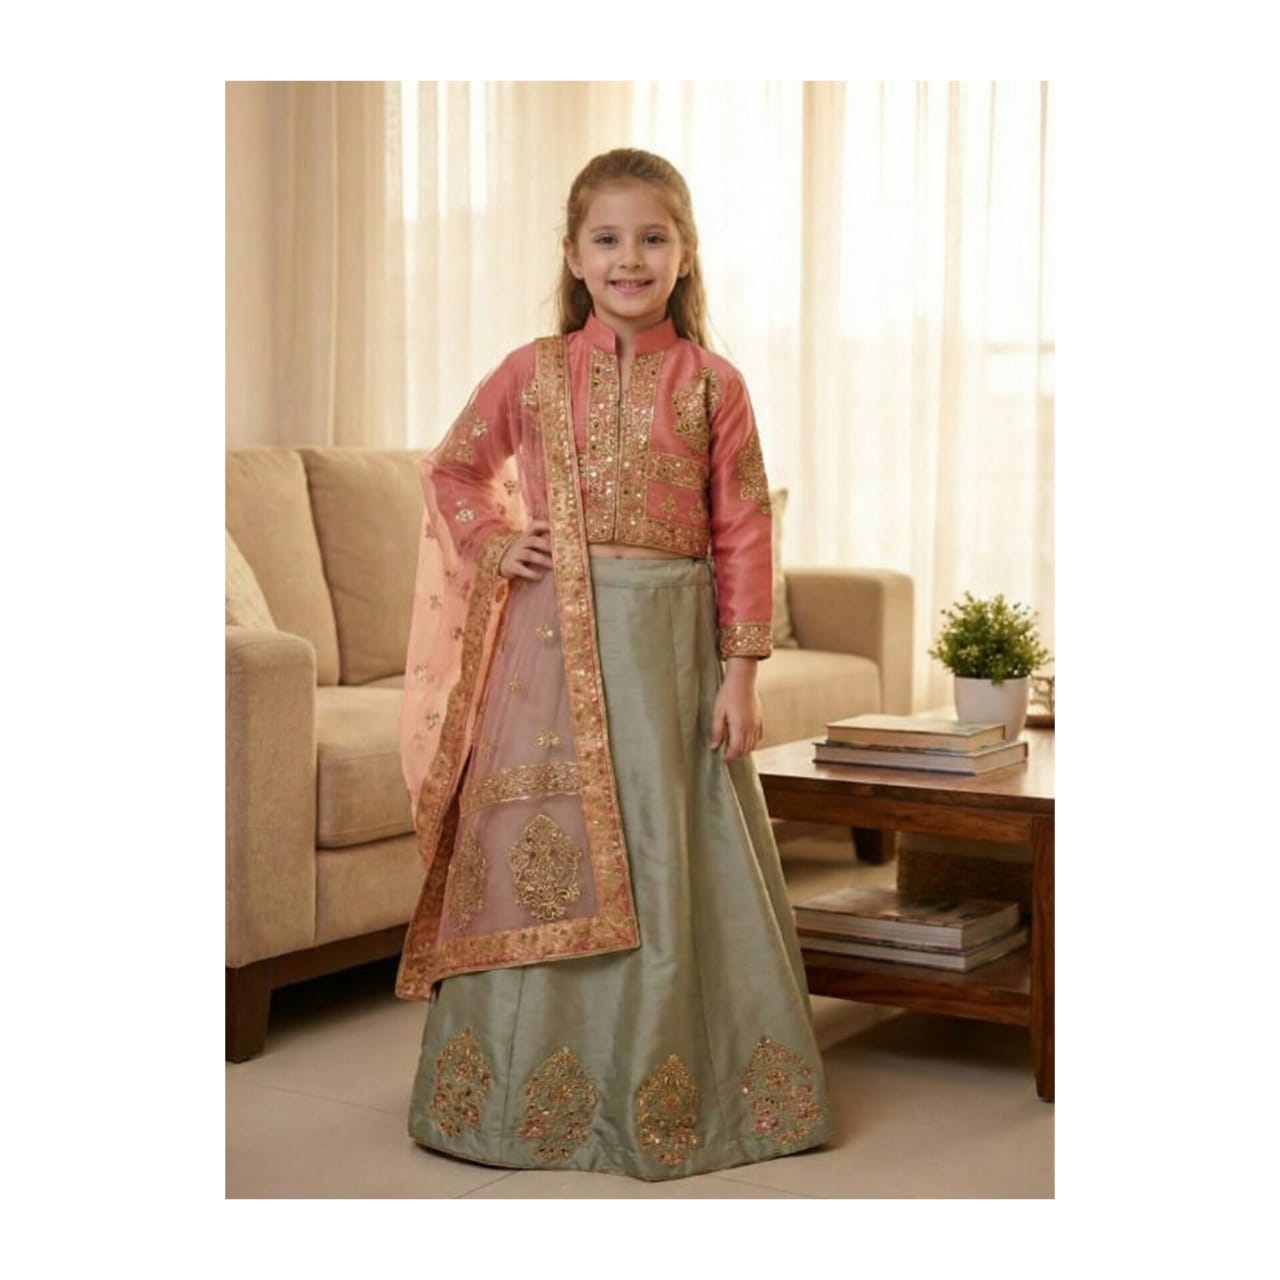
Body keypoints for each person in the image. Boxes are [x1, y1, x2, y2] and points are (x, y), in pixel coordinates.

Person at [396, 147, 834, 1180]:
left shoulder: (714, 383)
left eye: (651, 238)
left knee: (669, 837)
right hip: (552, 643)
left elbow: (743, 531)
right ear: (573, 254)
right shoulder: (532, 370)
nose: (628, 258)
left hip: (670, 646)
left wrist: (740, 674)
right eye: (607, 239)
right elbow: (453, 468)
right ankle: (519, 1099)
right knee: (540, 842)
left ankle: (676, 1087)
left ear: (684, 254)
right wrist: (500, 540)